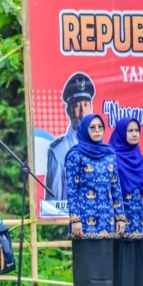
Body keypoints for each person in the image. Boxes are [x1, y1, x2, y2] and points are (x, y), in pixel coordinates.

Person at [66, 114, 126, 286]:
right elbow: (71, 190)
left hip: (106, 216)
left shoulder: (109, 153)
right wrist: (75, 218)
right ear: (84, 130)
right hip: (84, 217)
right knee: (86, 260)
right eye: (92, 127)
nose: (98, 130)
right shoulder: (75, 154)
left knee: (104, 260)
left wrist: (120, 216)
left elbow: (116, 186)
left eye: (100, 126)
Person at [109, 119, 143, 286]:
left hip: (136, 212)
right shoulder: (113, 156)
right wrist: (119, 214)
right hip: (120, 212)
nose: (135, 134)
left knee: (135, 251)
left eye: (137, 130)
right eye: (130, 131)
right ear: (121, 133)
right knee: (122, 252)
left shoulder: (138, 156)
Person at [45, 72, 95, 200]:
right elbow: (53, 202)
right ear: (69, 110)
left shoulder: (102, 148)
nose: (82, 112)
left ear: (91, 108)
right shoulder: (58, 150)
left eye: (85, 105)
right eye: (77, 106)